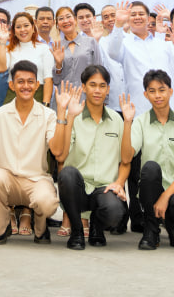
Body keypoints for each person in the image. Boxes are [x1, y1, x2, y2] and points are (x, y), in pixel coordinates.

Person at [0, 60, 61, 244]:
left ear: (37, 85)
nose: (26, 86)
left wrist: (63, 115)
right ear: (12, 85)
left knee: (47, 202)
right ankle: (1, 228)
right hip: (7, 179)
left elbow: (56, 150)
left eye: (30, 81)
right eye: (20, 81)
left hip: (36, 179)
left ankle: (41, 229)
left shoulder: (48, 115)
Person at [123, 69, 174, 250]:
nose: (157, 95)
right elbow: (126, 157)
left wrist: (166, 196)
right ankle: (151, 230)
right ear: (145, 95)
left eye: (162, 89)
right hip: (150, 189)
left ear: (170, 92)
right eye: (152, 91)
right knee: (150, 168)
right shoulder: (140, 122)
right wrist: (127, 122)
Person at [54, 66, 130, 250]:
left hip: (104, 190)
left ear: (108, 89)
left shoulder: (117, 119)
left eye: (102, 86)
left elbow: (126, 160)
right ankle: (77, 231)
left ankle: (96, 227)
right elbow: (61, 156)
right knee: (67, 174)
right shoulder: (75, 116)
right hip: (77, 189)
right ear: (84, 87)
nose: (97, 90)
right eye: (92, 85)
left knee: (116, 211)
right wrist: (69, 116)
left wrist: (119, 183)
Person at [0, 11, 55, 108]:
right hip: (13, 95)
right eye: (18, 27)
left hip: (37, 95)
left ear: (33, 28)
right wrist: (2, 41)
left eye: (26, 25)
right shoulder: (9, 49)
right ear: (14, 31)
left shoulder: (44, 48)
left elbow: (48, 79)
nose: (22, 30)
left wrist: (46, 104)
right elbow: (1, 68)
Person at [51, 5, 101, 106]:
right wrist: (59, 64)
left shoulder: (91, 42)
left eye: (68, 17)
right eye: (61, 19)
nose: (65, 21)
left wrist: (103, 100)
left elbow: (99, 72)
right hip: (64, 99)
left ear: (74, 20)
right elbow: (56, 80)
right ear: (57, 25)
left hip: (86, 97)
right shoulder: (57, 47)